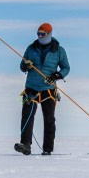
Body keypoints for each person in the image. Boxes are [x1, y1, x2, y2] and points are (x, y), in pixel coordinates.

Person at [15, 23, 69, 156]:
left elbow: (66, 68)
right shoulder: (31, 48)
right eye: (38, 34)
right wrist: (26, 65)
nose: (40, 36)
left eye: (42, 34)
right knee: (27, 115)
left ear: (49, 34)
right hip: (31, 87)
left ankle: (48, 149)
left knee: (49, 119)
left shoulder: (59, 50)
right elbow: (22, 66)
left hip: (48, 89)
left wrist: (57, 75)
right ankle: (25, 145)